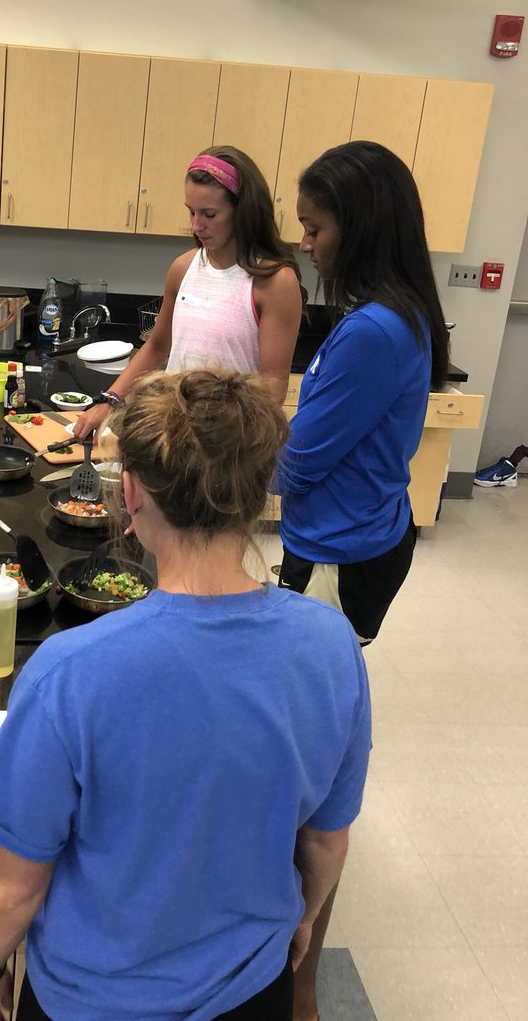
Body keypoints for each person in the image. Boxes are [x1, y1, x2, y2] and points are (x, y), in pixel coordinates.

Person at [0, 369, 371, 1021]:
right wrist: (305, 918)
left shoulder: (70, 671)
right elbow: (325, 844)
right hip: (250, 993)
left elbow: (12, 884)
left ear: (131, 491)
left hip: (89, 1003)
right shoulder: (331, 646)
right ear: (258, 491)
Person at [274, 140, 449, 1021]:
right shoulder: (402, 312)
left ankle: (299, 973)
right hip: (362, 539)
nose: (307, 241)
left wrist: (208, 462)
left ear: (360, 224)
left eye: (316, 225)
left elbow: (299, 461)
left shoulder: (376, 327)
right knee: (319, 726)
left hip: (337, 557)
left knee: (312, 770)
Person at [72, 145, 303, 442]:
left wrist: (222, 427)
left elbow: (273, 386)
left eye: (209, 214)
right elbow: (157, 345)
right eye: (191, 212)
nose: (196, 225)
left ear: (243, 211)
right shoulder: (183, 268)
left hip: (229, 447)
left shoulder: (273, 281)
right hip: (174, 436)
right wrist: (110, 401)